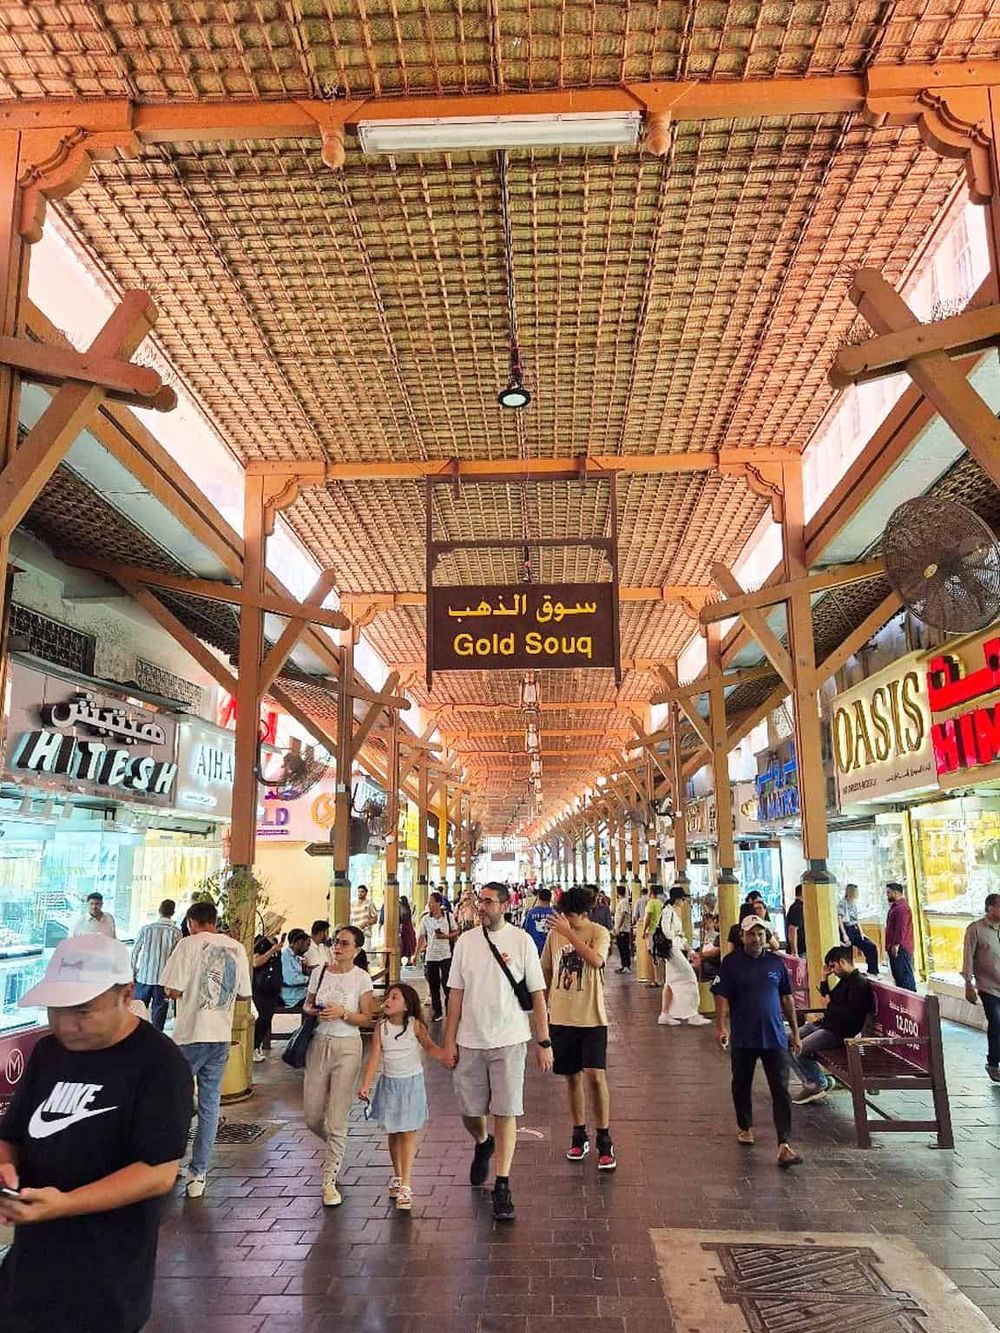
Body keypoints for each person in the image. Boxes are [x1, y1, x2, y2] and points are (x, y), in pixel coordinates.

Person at [0, 934, 193, 1333]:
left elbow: (157, 1172)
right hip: (29, 1267)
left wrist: (64, 1204)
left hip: (105, 1279)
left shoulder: (160, 1064)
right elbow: (13, 1135)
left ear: (125, 995)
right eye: (56, 1010)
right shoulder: (49, 1052)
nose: (67, 1025)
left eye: (83, 1011)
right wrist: (5, 1170)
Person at [441, 882, 552, 1222]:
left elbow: (536, 995)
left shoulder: (522, 942)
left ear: (505, 905)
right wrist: (449, 1042)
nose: (482, 907)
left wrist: (543, 1042)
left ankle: (502, 1184)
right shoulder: (465, 943)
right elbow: (455, 995)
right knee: (470, 1111)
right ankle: (482, 1141)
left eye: (489, 902)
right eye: (480, 902)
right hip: (470, 1040)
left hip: (510, 1039)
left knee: (507, 1111)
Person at [159, 901, 252, 1199]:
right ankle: (198, 1174)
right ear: (214, 920)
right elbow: (243, 994)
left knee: (174, 1100)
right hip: (220, 1036)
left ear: (191, 921)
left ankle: (171, 1161)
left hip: (189, 1036)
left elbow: (170, 990)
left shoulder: (187, 945)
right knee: (211, 1106)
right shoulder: (237, 948)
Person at [713, 915, 803, 1168]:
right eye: (751, 934)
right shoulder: (731, 964)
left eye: (761, 934)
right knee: (741, 1084)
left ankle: (784, 1143)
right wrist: (720, 1026)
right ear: (742, 937)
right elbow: (721, 996)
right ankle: (745, 1126)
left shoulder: (776, 963)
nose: (756, 939)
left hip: (774, 1037)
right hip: (743, 1036)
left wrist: (795, 1032)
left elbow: (787, 999)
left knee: (781, 1090)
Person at [540, 885, 615, 1169]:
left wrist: (569, 933)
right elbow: (546, 969)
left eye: (572, 915)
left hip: (592, 1017)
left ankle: (604, 1138)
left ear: (585, 913)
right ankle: (578, 1132)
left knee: (596, 1076)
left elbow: (596, 961)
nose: (567, 920)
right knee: (571, 1077)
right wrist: (543, 1006)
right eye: (565, 914)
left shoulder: (599, 932)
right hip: (561, 1016)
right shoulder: (553, 935)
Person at [302, 924, 377, 1207]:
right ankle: (337, 1143)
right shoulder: (320, 972)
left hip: (347, 1048)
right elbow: (307, 1005)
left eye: (345, 943)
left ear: (356, 950)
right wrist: (315, 1011)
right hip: (319, 1043)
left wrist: (344, 1013)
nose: (338, 947)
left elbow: (367, 1018)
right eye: (336, 942)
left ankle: (329, 1181)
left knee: (336, 1118)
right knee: (311, 1116)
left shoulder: (361, 979)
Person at [358, 982, 449, 1211]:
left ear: (407, 1005)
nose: (388, 1001)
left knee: (407, 1133)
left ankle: (406, 1183)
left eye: (395, 997)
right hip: (390, 1084)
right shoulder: (381, 1028)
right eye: (387, 997)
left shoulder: (414, 1025)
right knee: (394, 1132)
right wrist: (366, 1084)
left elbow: (429, 1047)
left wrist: (445, 1057)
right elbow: (374, 1057)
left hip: (411, 1085)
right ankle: (398, 1175)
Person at [793, 946, 874, 1103]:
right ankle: (813, 1081)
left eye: (832, 966)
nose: (832, 971)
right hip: (826, 1024)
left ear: (842, 962)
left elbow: (848, 1015)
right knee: (787, 1039)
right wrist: (824, 978)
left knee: (800, 1048)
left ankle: (817, 1082)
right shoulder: (844, 980)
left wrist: (830, 1006)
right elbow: (828, 996)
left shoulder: (859, 984)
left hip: (837, 1031)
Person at [656, 886, 711, 1027]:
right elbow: (668, 933)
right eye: (683, 899)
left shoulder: (672, 911)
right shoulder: (668, 912)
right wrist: (681, 942)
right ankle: (692, 1014)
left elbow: (678, 935)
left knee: (670, 982)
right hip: (673, 950)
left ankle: (665, 1014)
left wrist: (690, 950)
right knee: (690, 978)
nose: (684, 901)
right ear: (678, 899)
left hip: (672, 950)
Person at [962, 893, 1000, 1084]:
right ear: (990, 908)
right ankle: (993, 1063)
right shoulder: (975, 929)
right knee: (996, 1022)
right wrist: (968, 983)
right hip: (988, 987)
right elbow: (968, 957)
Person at [131, 898, 182, 1031]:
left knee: (137, 1013)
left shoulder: (146, 929)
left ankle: (136, 1040)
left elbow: (135, 952)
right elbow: (177, 958)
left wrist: (133, 972)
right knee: (159, 1017)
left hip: (144, 977)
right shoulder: (176, 932)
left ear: (159, 911)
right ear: (173, 912)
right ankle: (155, 1043)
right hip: (163, 980)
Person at [415, 891, 456, 1021]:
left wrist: (446, 936)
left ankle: (450, 1011)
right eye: (429, 902)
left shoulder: (448, 917)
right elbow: (421, 937)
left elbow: (456, 931)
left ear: (438, 903)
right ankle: (437, 1012)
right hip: (431, 956)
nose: (429, 904)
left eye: (432, 901)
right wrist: (415, 954)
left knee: (447, 984)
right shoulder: (426, 919)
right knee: (434, 985)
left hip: (446, 955)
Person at [251, 931, 285, 1060]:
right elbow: (256, 962)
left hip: (272, 988)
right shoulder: (260, 942)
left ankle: (257, 1046)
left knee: (267, 1019)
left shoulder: (275, 942)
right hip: (261, 987)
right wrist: (272, 950)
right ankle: (253, 1046)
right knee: (261, 1018)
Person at [838, 883, 879, 975]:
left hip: (854, 928)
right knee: (847, 953)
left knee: (871, 946)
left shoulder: (854, 904)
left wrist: (862, 932)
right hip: (845, 928)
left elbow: (857, 920)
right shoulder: (842, 903)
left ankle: (873, 970)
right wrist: (844, 934)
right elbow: (840, 919)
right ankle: (849, 973)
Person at [885, 882, 916, 991]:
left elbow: (901, 929)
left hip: (901, 949)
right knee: (899, 977)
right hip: (895, 947)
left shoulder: (901, 908)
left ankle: (910, 1001)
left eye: (889, 893)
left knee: (904, 978)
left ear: (896, 893)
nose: (887, 895)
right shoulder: (895, 907)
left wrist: (896, 945)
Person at [279, 929, 311, 1010]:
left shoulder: (296, 957)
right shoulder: (285, 956)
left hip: (300, 993)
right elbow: (290, 979)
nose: (308, 949)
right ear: (299, 943)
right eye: (307, 945)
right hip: (292, 997)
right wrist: (310, 979)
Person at [640, 884, 665, 987]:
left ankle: (658, 980)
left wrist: (644, 930)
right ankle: (662, 978)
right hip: (660, 932)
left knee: (654, 955)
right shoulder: (661, 903)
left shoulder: (651, 903)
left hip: (652, 932)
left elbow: (648, 918)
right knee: (660, 955)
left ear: (652, 892)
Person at [522, 887, 556, 953]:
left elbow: (526, 929)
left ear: (538, 898)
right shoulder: (555, 914)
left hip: (534, 949)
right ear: (550, 899)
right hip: (550, 950)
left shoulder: (531, 913)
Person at [634, 885, 654, 984]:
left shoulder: (639, 901)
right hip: (653, 927)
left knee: (646, 949)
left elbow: (635, 916)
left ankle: (645, 974)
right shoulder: (652, 902)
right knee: (652, 952)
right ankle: (653, 975)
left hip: (642, 926)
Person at [613, 886, 632, 973]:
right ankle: (623, 965)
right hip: (620, 930)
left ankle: (626, 966)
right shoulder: (621, 902)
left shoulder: (624, 902)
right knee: (621, 947)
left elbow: (624, 914)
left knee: (624, 948)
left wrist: (619, 927)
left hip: (623, 930)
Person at [785, 884, 806, 957]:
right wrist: (794, 952)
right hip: (800, 951)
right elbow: (792, 929)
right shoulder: (798, 908)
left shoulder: (795, 906)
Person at [399, 896, 417, 966]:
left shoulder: (401, 908)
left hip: (403, 928)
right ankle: (409, 960)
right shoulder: (408, 908)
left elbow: (401, 918)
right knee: (408, 944)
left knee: (402, 944)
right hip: (409, 927)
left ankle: (400, 960)